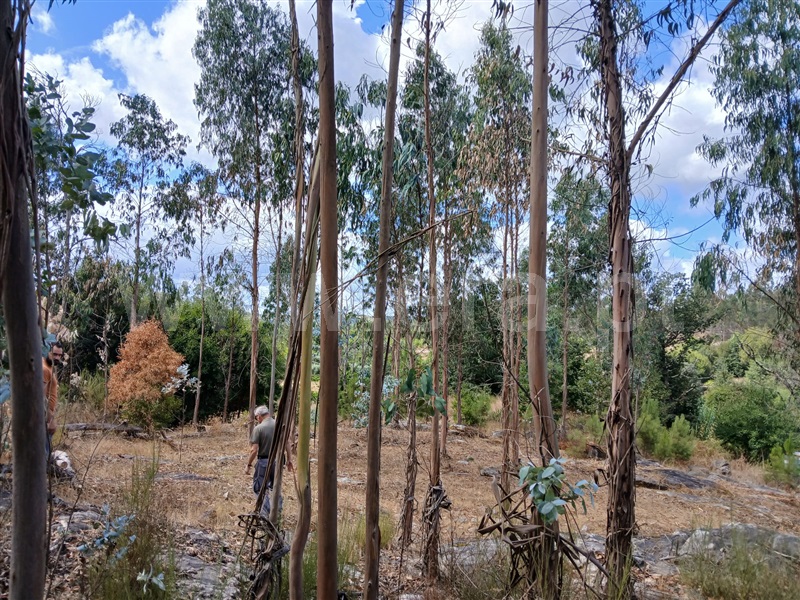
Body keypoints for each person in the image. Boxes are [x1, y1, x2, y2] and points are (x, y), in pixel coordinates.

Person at [245, 405, 276, 516]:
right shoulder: (279, 425)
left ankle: (265, 513)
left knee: (259, 488)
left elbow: (254, 450)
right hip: (277, 461)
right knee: (275, 487)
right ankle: (277, 512)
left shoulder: (259, 428)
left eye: (256, 417)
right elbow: (287, 442)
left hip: (264, 461)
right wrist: (289, 460)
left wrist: (248, 464)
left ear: (259, 416)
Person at [43, 341, 64, 458]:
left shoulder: (49, 367)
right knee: (43, 454)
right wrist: (50, 419)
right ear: (48, 351)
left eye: (59, 355)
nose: (57, 358)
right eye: (54, 354)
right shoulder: (45, 369)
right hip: (44, 417)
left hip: (46, 415)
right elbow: (41, 396)